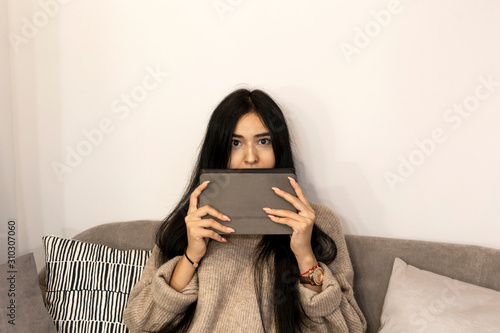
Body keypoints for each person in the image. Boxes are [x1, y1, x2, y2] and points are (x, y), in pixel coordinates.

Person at [123, 89, 367, 333]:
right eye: (235, 143)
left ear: (278, 148)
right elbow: (140, 322)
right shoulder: (191, 222)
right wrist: (190, 257)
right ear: (219, 151)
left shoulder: (316, 221)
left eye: (263, 141)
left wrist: (305, 256)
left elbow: (349, 327)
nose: (250, 157)